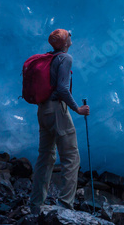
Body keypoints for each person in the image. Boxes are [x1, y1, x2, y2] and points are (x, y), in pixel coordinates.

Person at [29, 28, 90, 213]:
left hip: (43, 110)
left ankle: (36, 205)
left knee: (45, 157)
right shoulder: (65, 58)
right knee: (71, 158)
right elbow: (63, 89)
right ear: (65, 43)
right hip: (57, 111)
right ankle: (65, 206)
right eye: (68, 36)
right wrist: (77, 109)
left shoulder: (49, 58)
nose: (71, 38)